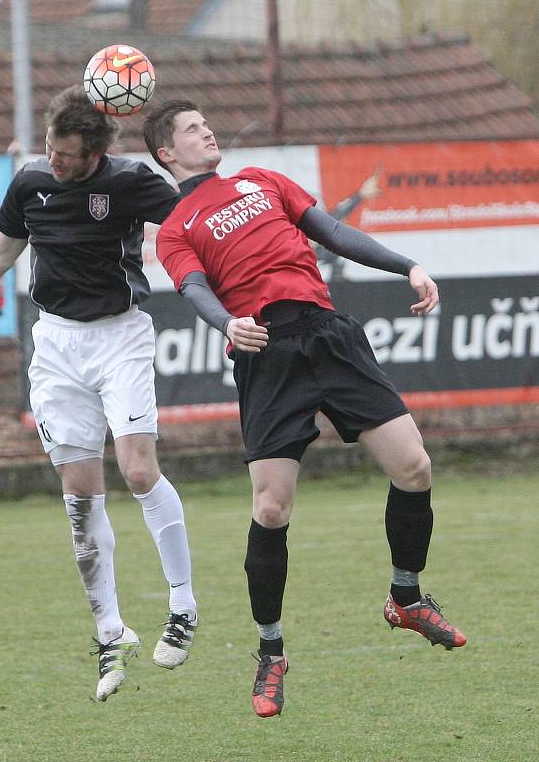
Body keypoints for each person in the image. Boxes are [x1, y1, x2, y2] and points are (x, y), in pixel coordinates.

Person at [142, 100, 466, 719]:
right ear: (167, 154)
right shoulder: (179, 225)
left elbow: (334, 232)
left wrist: (409, 266)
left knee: (415, 467)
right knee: (271, 507)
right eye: (191, 129)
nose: (207, 131)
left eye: (207, 123)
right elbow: (193, 289)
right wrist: (227, 324)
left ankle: (406, 596)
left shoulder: (263, 181)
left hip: (327, 334)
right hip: (267, 353)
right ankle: (270, 653)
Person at [0, 85, 198, 702]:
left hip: (120, 336)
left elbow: (194, 221)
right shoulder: (29, 184)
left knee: (137, 468)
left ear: (97, 152)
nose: (57, 162)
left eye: (69, 155)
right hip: (57, 346)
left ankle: (183, 604)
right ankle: (110, 634)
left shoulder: (130, 182)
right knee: (78, 496)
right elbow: (0, 253)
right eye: (52, 148)